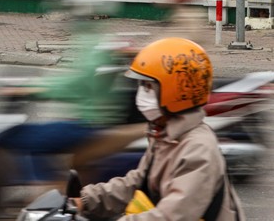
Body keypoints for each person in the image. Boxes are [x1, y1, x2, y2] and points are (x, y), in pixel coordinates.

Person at [72, 37, 244, 220]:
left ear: (176, 90)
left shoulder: (198, 149)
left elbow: (174, 215)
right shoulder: (164, 133)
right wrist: (85, 200)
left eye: (147, 86)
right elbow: (136, 183)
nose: (140, 94)